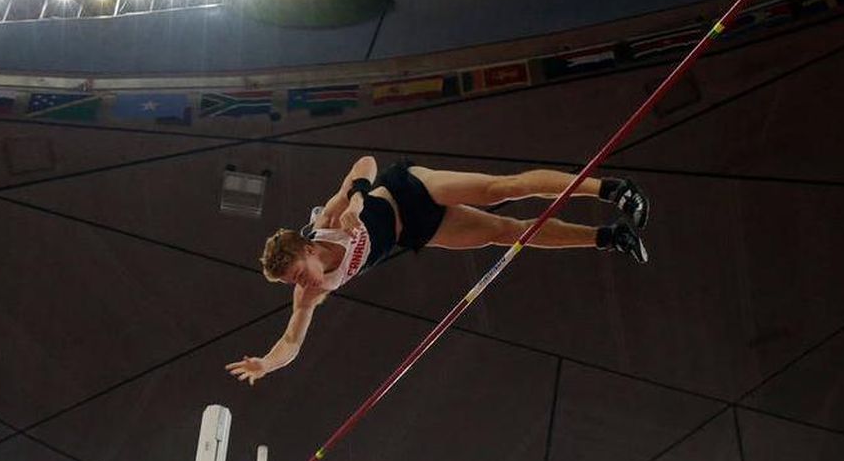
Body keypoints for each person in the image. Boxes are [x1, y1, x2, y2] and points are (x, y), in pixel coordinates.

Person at [226, 156, 649, 384]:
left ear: (307, 248)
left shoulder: (331, 222)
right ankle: (609, 237)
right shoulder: (310, 296)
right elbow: (291, 342)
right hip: (418, 230)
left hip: (410, 190)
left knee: (502, 189)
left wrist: (355, 198)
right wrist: (267, 362)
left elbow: (366, 163)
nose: (304, 285)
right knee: (508, 232)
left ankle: (612, 189)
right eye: (295, 284)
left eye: (301, 273)